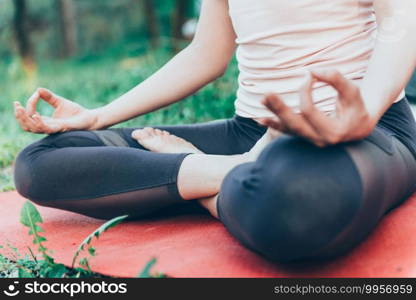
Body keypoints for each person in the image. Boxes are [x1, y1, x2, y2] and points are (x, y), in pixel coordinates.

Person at [12, 0, 416, 263]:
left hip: (364, 132)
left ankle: (206, 178)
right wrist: (99, 117)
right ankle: (235, 170)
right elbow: (207, 53)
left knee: (296, 206)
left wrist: (363, 110)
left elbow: (402, 19)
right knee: (39, 162)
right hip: (249, 135)